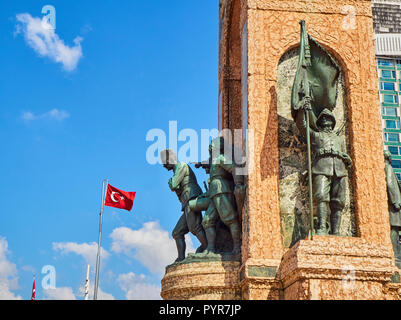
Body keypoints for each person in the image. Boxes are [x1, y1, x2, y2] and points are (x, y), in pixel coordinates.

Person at [296, 99, 352, 235]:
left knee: (339, 201)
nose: (326, 121)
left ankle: (336, 231)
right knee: (321, 196)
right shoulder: (316, 135)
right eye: (324, 119)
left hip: (339, 169)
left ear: (333, 122)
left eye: (329, 119)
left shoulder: (339, 139)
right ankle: (321, 227)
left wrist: (347, 159)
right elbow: (303, 126)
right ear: (320, 122)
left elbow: (347, 157)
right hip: (321, 167)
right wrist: (303, 109)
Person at [160, 149, 207, 262]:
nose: (164, 166)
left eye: (165, 162)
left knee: (194, 227)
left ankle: (209, 248)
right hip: (186, 201)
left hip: (191, 198)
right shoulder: (176, 169)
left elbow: (173, 184)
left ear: (170, 159)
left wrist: (171, 183)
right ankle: (181, 258)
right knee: (177, 232)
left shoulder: (181, 166)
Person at [384, 150, 401, 269]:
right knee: (394, 230)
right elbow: (390, 185)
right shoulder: (387, 167)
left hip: (391, 205)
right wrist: (396, 202)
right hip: (393, 206)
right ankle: (396, 257)